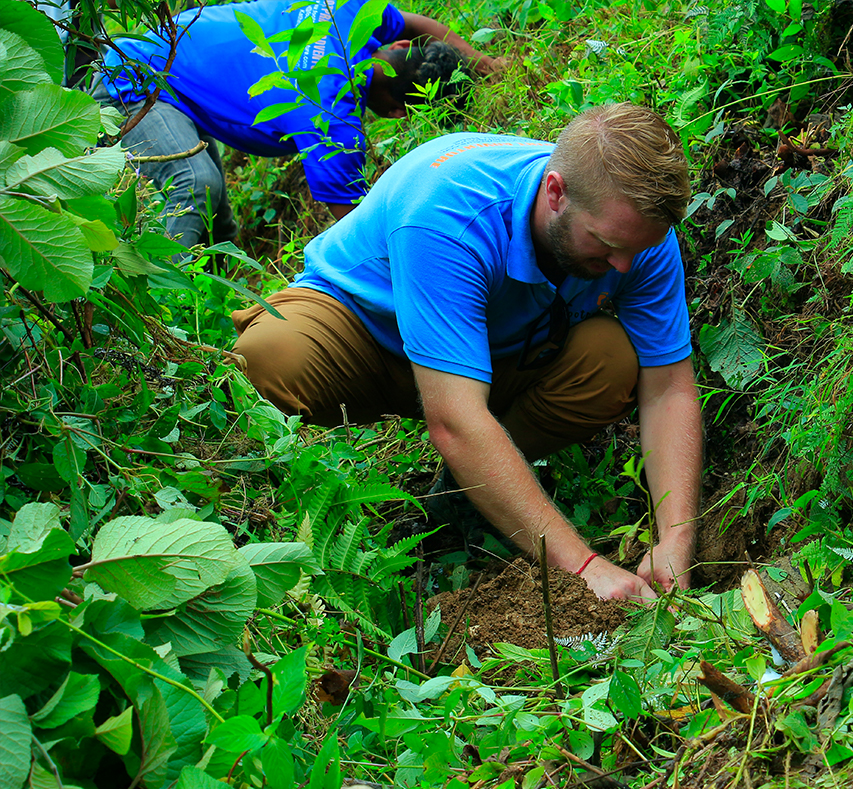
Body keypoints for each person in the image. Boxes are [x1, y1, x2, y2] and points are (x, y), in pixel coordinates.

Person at [231, 103, 702, 602]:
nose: (624, 266)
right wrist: (584, 568)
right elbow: (454, 420)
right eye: (606, 246)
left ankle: (468, 497)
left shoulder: (631, 228)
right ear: (556, 192)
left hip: (486, 350)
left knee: (609, 360)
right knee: (268, 358)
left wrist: (677, 535)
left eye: (637, 249)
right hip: (364, 332)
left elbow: (669, 388)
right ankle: (251, 517)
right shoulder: (450, 210)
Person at [94, 0, 499, 251]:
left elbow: (420, 24)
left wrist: (490, 66)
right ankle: (164, 308)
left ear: (395, 46)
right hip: (132, 77)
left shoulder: (352, 10)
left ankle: (208, 301)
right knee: (194, 182)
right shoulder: (330, 121)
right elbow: (359, 224)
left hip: (166, 59)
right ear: (397, 113)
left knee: (219, 226)